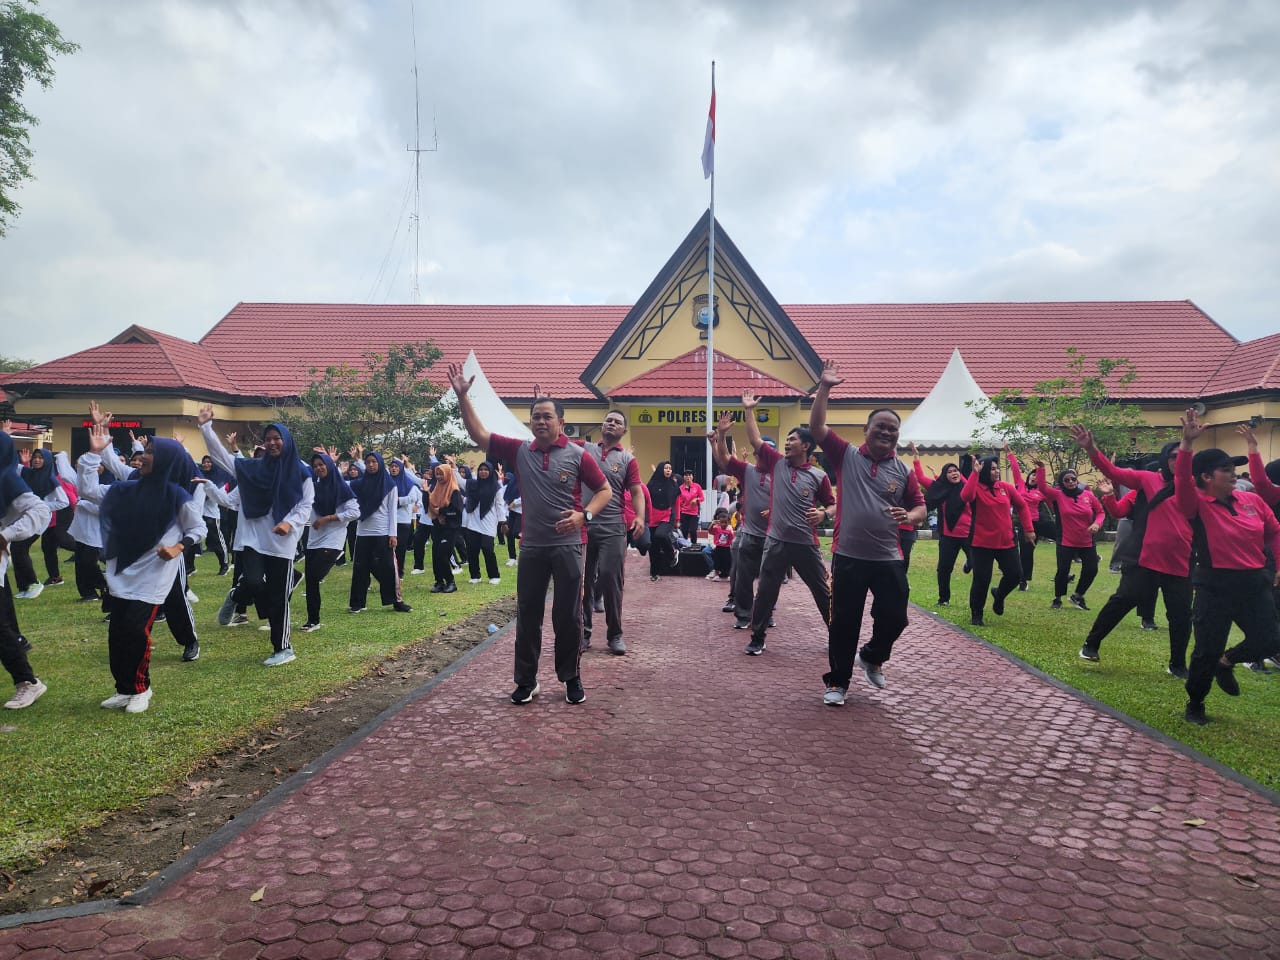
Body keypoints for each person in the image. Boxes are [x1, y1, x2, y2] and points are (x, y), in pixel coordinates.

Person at [447, 361, 611, 705]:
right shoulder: (520, 450)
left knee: (567, 618)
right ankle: (526, 681)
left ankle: (570, 678)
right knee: (528, 615)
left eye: (547, 416)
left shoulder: (579, 455)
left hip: (568, 547)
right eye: (535, 416)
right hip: (533, 547)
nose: (540, 421)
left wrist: (585, 516)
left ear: (561, 422)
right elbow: (479, 436)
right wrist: (463, 398)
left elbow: (604, 491)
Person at [809, 362, 925, 704]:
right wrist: (825, 388)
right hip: (848, 556)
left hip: (888, 557)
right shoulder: (845, 456)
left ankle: (873, 656)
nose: (886, 433)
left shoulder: (903, 471)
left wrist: (912, 515)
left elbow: (920, 505)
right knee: (843, 622)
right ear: (867, 429)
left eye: (893, 429)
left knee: (895, 616)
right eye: (881, 427)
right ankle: (837, 683)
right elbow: (817, 427)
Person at [84, 425, 206, 713]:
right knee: (118, 635)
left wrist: (178, 547)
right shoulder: (127, 489)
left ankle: (141, 688)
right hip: (123, 574)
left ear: (166, 461)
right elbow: (87, 490)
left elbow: (198, 528)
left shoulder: (177, 497)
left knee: (136, 631)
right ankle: (124, 689)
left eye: (150, 452)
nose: (142, 455)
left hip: (152, 580)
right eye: (145, 450)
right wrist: (94, 454)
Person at [1174, 409, 1280, 725]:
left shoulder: (1252, 502)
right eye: (1226, 469)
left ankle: (1227, 661)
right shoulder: (1196, 505)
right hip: (1214, 585)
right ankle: (1196, 702)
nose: (1234, 473)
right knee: (1205, 649)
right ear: (1206, 477)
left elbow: (1274, 532)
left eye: (1234, 468)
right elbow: (1181, 479)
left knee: (1270, 639)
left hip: (1253, 583)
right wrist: (1186, 445)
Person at [199, 407, 314, 666]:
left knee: (277, 597)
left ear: (286, 441)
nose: (272, 443)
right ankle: (237, 596)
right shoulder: (252, 469)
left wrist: (289, 522)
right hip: (251, 539)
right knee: (252, 581)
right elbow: (221, 458)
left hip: (281, 544)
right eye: (268, 438)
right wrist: (206, 428)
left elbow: (306, 505)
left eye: (277, 438)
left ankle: (283, 648)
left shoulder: (300, 472)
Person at [1069, 431, 1192, 672]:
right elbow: (1114, 475)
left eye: (1184, 455)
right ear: (1165, 458)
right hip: (1145, 559)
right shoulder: (1147, 480)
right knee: (1123, 600)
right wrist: (1092, 449)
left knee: (1181, 614)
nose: (1179, 460)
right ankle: (1091, 643)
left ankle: (1178, 664)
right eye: (1173, 456)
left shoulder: (1192, 487)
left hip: (1180, 562)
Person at [741, 390, 836, 657]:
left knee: (822, 592)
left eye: (792, 440)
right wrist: (749, 410)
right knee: (766, 593)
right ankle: (757, 638)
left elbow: (832, 504)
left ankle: (838, 636)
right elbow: (755, 439)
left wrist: (823, 514)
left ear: (805, 446)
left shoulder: (819, 476)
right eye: (787, 440)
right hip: (776, 542)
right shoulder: (777, 464)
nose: (787, 443)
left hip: (806, 544)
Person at [580, 411, 645, 656]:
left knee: (610, 578)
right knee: (582, 582)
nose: (612, 424)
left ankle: (614, 634)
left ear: (623, 431)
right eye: (609, 420)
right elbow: (556, 439)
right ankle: (583, 634)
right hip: (583, 525)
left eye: (618, 422)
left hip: (614, 528)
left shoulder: (628, 460)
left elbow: (636, 492)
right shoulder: (584, 449)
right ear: (602, 425)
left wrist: (640, 517)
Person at [0, 430, 51, 710]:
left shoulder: (6, 479)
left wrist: (7, 534)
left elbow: (40, 512)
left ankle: (27, 682)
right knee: (6, 624)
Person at [709, 416, 775, 628]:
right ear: (756, 454)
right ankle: (743, 614)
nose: (765, 455)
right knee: (743, 576)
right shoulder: (748, 471)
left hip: (774, 536)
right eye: (762, 452)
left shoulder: (782, 472)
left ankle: (766, 613)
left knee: (769, 579)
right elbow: (724, 459)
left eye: (769, 452)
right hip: (748, 532)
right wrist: (721, 435)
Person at [961, 455, 1036, 627]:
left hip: (1006, 541)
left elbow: (1022, 506)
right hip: (981, 542)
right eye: (992, 469)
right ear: (985, 471)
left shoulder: (1005, 487)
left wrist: (1029, 529)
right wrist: (974, 473)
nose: (996, 471)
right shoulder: (976, 487)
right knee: (982, 580)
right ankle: (976, 614)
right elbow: (966, 496)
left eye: (997, 468)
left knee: (1015, 575)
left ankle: (999, 595)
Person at [301, 452, 361, 631]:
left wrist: (328, 518)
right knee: (311, 582)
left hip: (333, 540)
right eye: (316, 465)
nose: (319, 468)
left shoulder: (342, 487)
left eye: (322, 464)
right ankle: (313, 620)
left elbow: (355, 512)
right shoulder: (312, 487)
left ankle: (338, 554)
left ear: (329, 465)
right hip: (313, 539)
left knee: (314, 576)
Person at [347, 451, 412, 614]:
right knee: (360, 569)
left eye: (374, 462)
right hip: (362, 533)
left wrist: (393, 534)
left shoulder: (389, 485)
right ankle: (357, 603)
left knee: (389, 568)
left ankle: (396, 601)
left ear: (380, 464)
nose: (370, 465)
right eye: (368, 462)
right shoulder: (360, 484)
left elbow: (392, 512)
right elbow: (341, 485)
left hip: (382, 533)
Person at [911, 443, 973, 608]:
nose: (954, 473)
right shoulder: (939, 488)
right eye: (950, 471)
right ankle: (943, 598)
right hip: (948, 535)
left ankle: (969, 564)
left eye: (956, 471)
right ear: (945, 475)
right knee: (944, 569)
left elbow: (974, 482)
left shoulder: (967, 487)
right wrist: (916, 457)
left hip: (968, 534)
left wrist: (975, 470)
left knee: (976, 563)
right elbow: (921, 477)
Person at [1036, 463, 1104, 610]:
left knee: (1092, 569)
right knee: (1063, 570)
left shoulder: (1088, 495)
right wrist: (1041, 469)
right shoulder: (1058, 495)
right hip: (1066, 540)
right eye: (1067, 480)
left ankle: (1078, 596)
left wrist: (1097, 524)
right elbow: (1042, 488)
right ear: (1062, 483)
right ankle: (1058, 598)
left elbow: (1100, 512)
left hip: (1086, 540)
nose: (1071, 482)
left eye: (1073, 479)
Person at [463, 461, 505, 584]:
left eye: (486, 469)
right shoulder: (473, 484)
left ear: (491, 471)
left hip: (489, 521)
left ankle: (494, 576)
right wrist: (454, 467)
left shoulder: (496, 486)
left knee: (487, 548)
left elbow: (499, 504)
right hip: (473, 521)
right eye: (481, 469)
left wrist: (502, 521)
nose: (483, 472)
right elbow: (460, 481)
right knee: (472, 550)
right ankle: (475, 576)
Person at [427, 462, 464, 593]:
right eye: (437, 473)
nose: (439, 476)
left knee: (443, 553)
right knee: (435, 555)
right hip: (437, 526)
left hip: (450, 528)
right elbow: (430, 504)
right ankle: (439, 582)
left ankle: (450, 582)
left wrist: (441, 512)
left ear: (448, 474)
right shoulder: (436, 488)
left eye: (441, 473)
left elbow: (457, 511)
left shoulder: (454, 490)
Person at [197, 455, 233, 576]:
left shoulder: (218, 479)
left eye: (209, 462)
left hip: (211, 515)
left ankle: (224, 564)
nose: (206, 464)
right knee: (193, 541)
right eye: (204, 462)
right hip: (198, 513)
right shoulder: (199, 475)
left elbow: (219, 497)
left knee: (217, 541)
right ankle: (190, 566)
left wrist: (207, 492)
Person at [646, 462, 680, 581]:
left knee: (660, 535)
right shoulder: (651, 484)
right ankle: (654, 573)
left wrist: (677, 519)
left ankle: (672, 553)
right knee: (653, 547)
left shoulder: (673, 485)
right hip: (652, 517)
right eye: (666, 468)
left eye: (670, 468)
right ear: (661, 470)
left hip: (667, 515)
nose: (668, 470)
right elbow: (646, 499)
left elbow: (677, 503)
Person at [388, 457, 421, 579]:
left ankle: (399, 571)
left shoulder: (408, 483)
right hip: (388, 519)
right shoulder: (386, 481)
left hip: (403, 520)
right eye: (392, 467)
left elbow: (413, 497)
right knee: (387, 547)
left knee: (401, 547)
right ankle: (388, 570)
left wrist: (397, 500)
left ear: (401, 469)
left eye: (396, 466)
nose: (394, 469)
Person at [676, 469, 704, 544]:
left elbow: (702, 498)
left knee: (693, 530)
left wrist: (697, 500)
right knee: (684, 531)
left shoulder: (697, 486)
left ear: (692, 477)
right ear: (683, 477)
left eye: (690, 475)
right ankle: (684, 546)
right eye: (686, 475)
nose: (688, 477)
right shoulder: (680, 488)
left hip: (694, 513)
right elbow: (679, 502)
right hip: (684, 512)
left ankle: (694, 545)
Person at [707, 507, 734, 581]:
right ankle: (716, 575)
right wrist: (712, 524)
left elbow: (732, 540)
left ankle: (728, 575)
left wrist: (731, 547)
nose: (724, 524)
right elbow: (709, 531)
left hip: (727, 548)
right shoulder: (716, 529)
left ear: (728, 522)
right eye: (722, 522)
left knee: (728, 562)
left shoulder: (729, 531)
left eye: (725, 522)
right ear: (719, 522)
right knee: (717, 562)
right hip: (718, 548)